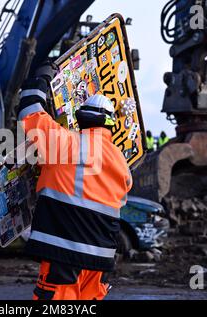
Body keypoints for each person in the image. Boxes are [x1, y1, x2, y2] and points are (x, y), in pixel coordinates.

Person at [18, 69, 132, 300]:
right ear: (109, 124)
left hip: (64, 255)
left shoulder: (64, 144)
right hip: (101, 260)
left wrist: (39, 80)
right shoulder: (122, 163)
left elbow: (30, 112)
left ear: (81, 119)